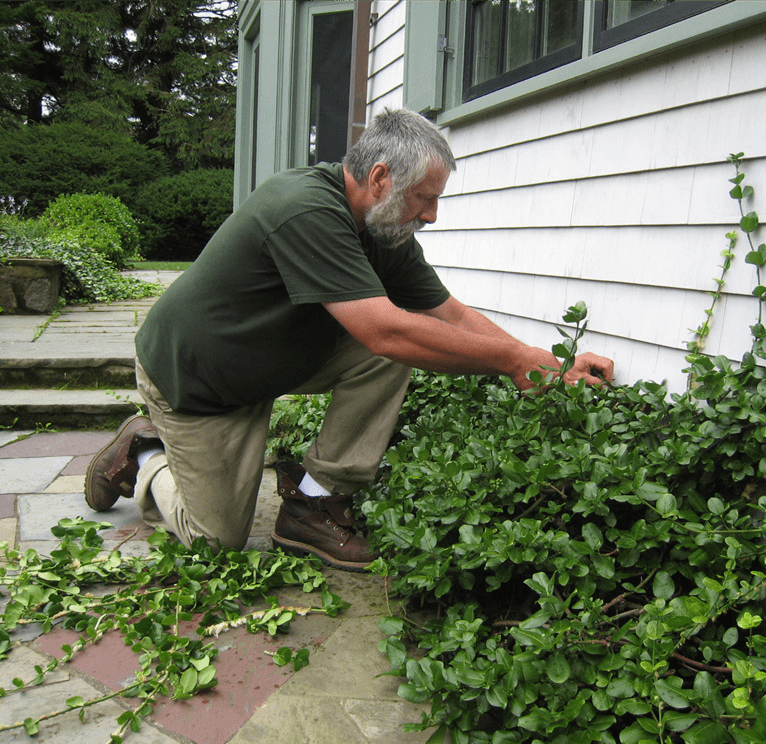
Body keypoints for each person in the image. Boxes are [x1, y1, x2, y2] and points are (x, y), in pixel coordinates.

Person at [84, 108, 614, 571]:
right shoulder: (305, 208)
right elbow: (383, 329)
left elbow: (446, 314)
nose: (431, 215)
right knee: (216, 543)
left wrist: (549, 362)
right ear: (381, 178)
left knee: (397, 347)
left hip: (268, 361)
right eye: (424, 199)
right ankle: (148, 451)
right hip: (198, 381)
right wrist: (513, 360)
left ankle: (312, 504)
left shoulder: (386, 230)